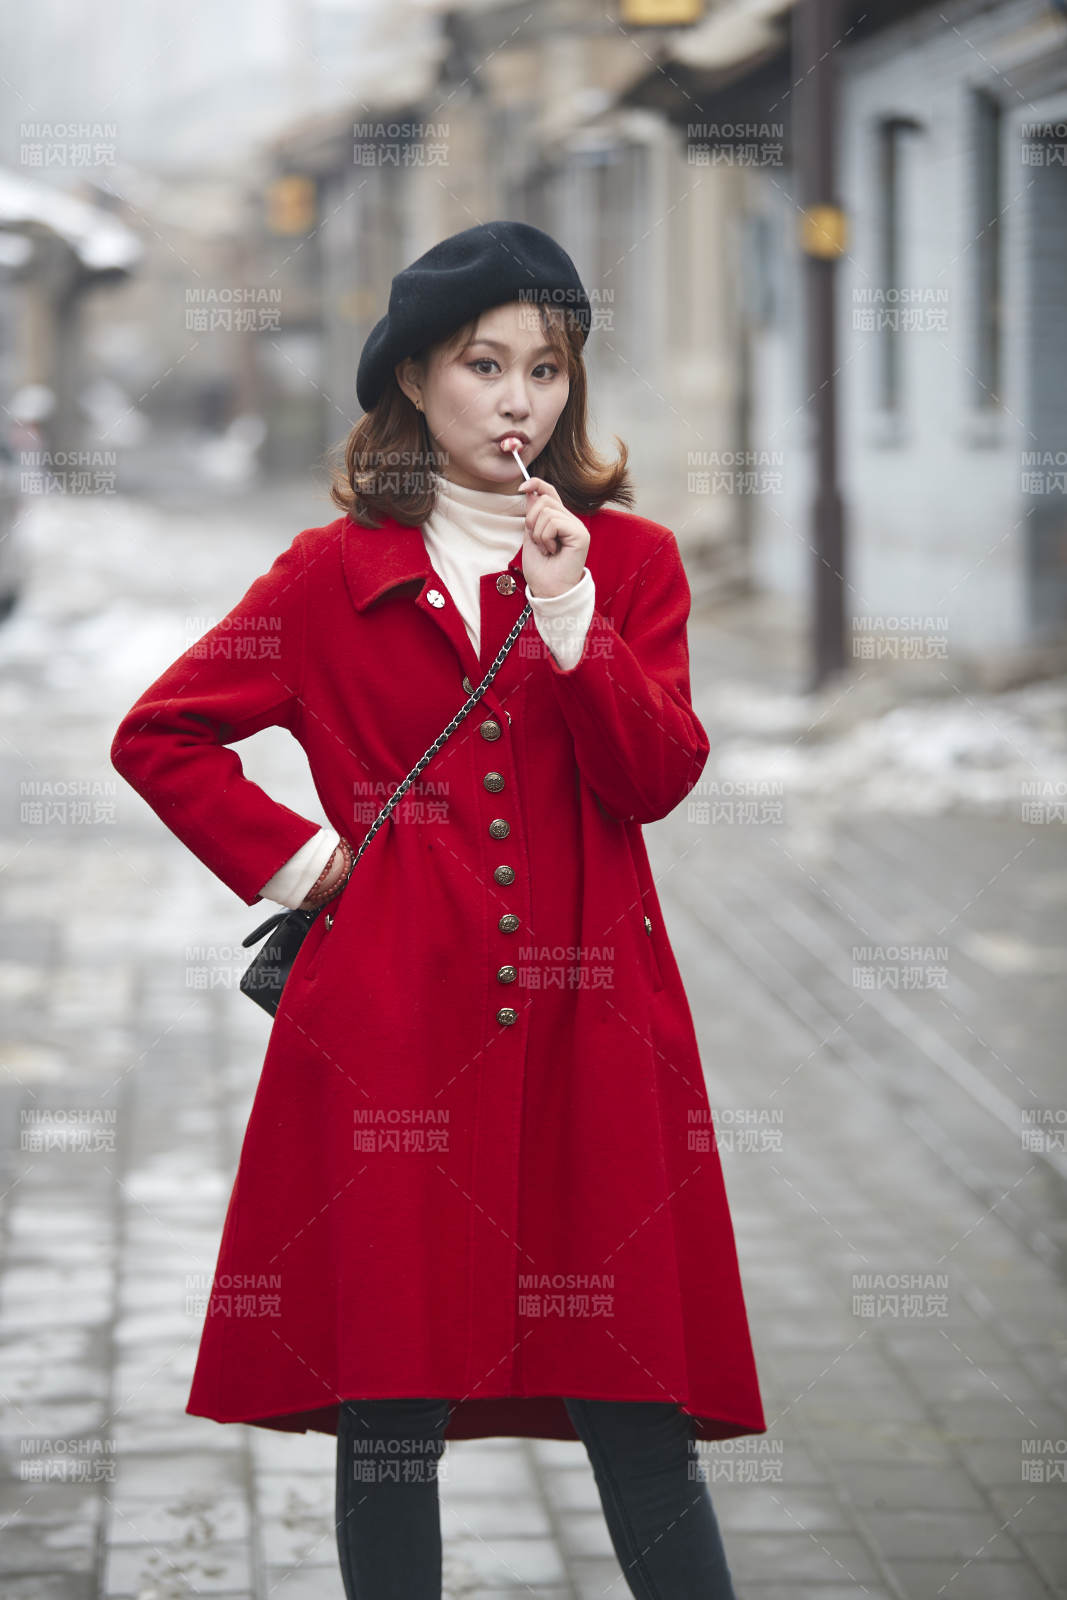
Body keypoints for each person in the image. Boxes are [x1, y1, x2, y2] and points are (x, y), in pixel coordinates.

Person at [110, 220, 766, 1600]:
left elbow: (653, 781)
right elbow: (160, 736)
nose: (522, 398)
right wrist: (309, 867)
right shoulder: (327, 576)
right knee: (389, 1429)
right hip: (393, 1040)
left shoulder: (627, 566)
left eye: (547, 367)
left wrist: (573, 617)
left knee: (639, 1415)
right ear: (415, 377)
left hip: (598, 1037)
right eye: (485, 363)